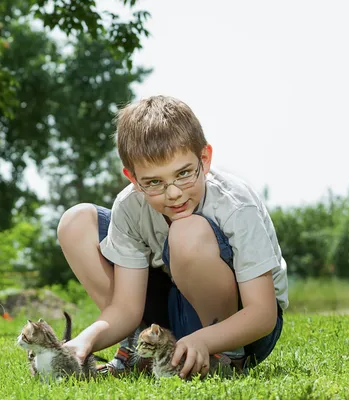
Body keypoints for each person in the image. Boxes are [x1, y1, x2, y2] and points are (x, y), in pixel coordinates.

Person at [58, 95, 288, 378]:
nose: (174, 193)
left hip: (243, 329)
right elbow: (126, 308)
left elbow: (262, 314)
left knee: (186, 230)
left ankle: (225, 359)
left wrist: (205, 339)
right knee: (76, 221)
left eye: (183, 174)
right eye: (154, 182)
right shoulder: (129, 206)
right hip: (170, 316)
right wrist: (83, 341)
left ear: (204, 159)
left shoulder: (236, 204)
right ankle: (143, 348)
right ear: (132, 178)